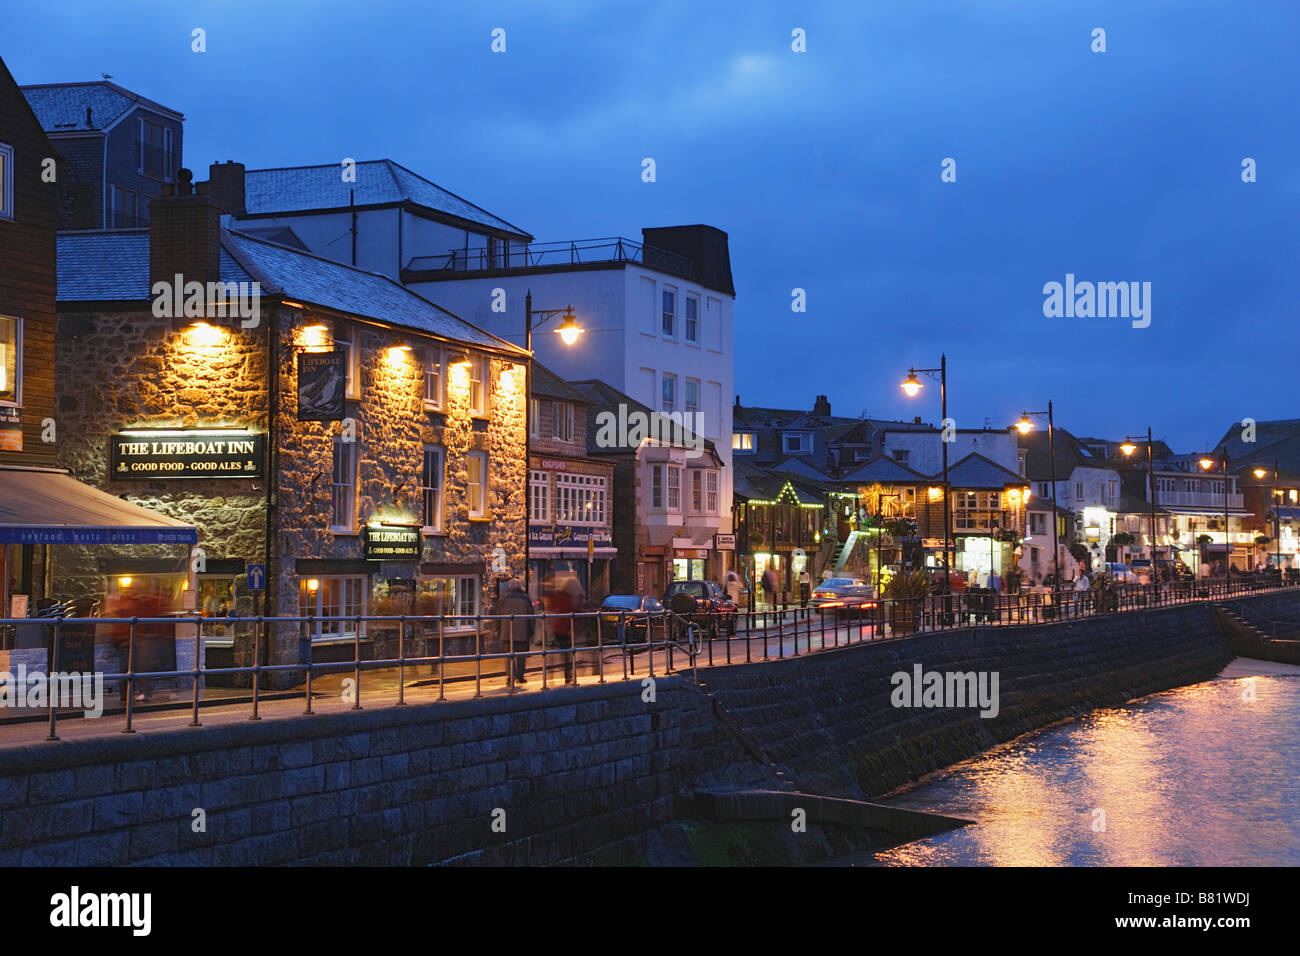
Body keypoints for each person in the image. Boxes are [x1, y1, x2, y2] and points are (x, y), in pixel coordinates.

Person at [493, 579, 533, 687]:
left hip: (507, 633)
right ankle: (520, 677)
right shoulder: (525, 598)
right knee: (521, 656)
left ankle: (511, 677)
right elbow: (531, 616)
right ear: (520, 587)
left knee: (509, 657)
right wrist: (531, 631)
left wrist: (498, 629)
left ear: (509, 586)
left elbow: (498, 615)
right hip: (522, 632)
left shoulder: (503, 597)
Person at [544, 578, 581, 685]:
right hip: (564, 630)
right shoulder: (568, 599)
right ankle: (568, 677)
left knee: (555, 654)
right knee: (567, 654)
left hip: (556, 629)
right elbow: (571, 613)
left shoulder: (557, 596)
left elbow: (551, 608)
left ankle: (550, 677)